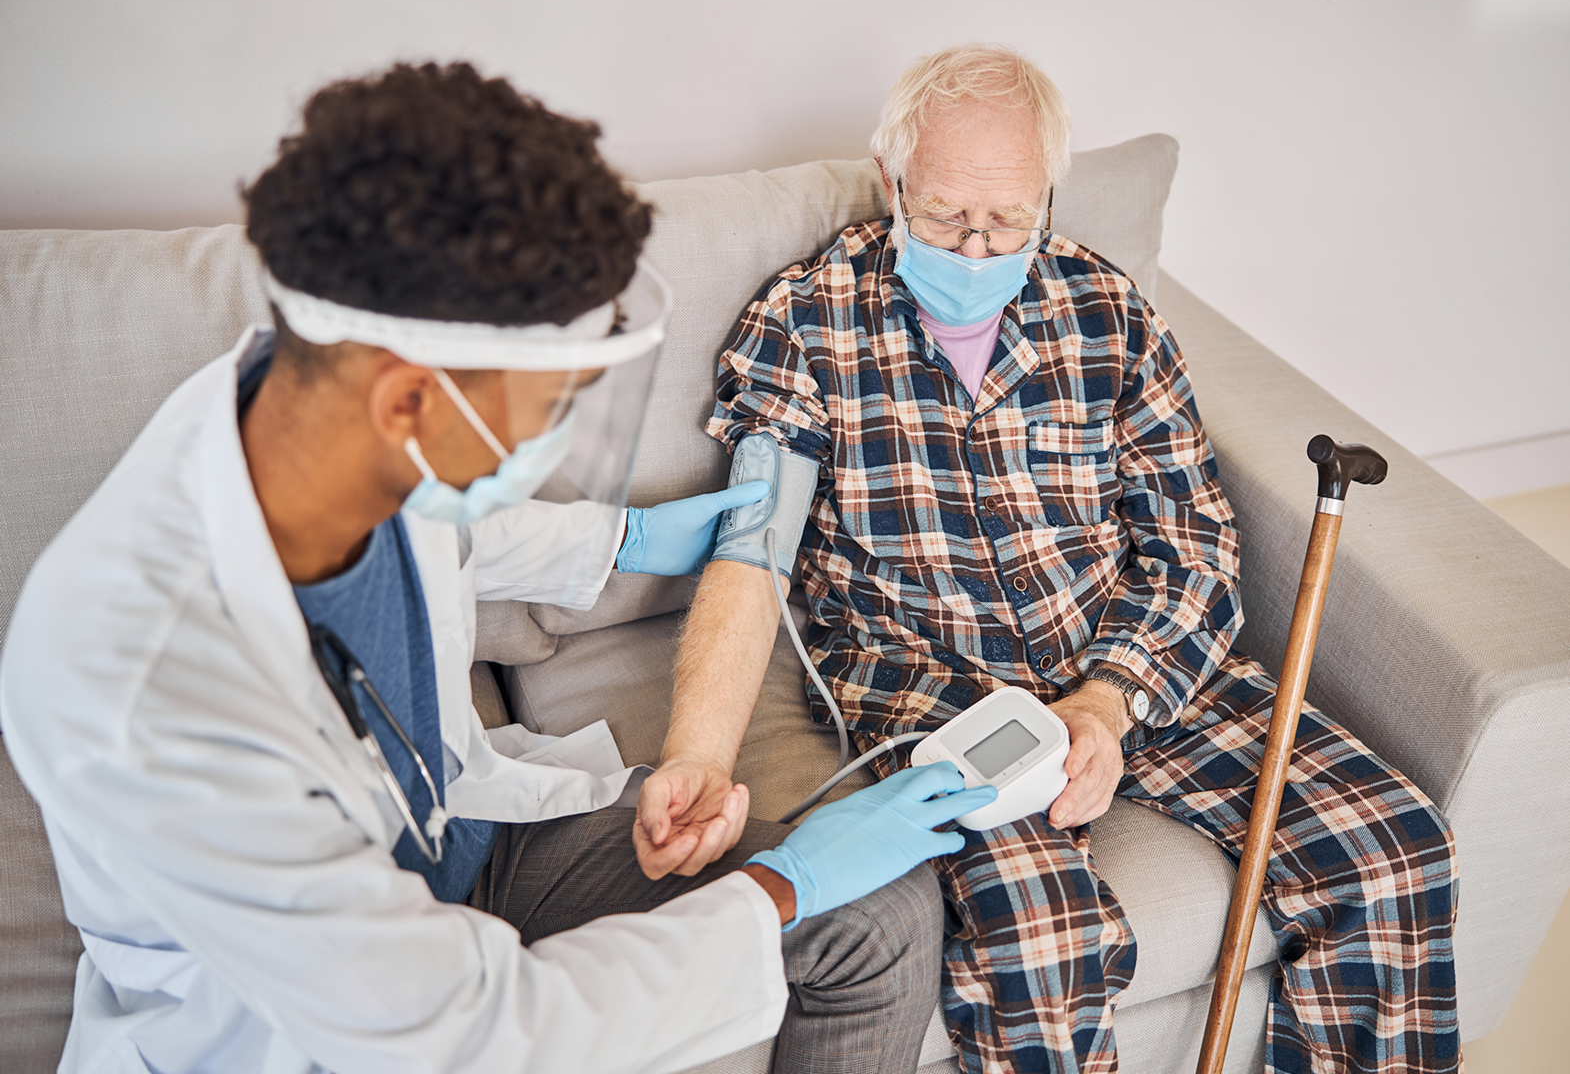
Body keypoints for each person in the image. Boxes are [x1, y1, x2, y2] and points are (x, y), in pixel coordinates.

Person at [0, 62, 1001, 1074]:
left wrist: (624, 542)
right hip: (315, 1026)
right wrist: (781, 887)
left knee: (878, 908)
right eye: (552, 404)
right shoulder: (147, 694)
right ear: (406, 404)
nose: (560, 437)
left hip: (465, 841)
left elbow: (450, 530)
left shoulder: (308, 413)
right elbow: (463, 1031)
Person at [635, 43, 1462, 1074]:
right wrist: (700, 757)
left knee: (1394, 849)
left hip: (1130, 660)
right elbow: (748, 556)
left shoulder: (1106, 310)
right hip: (932, 688)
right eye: (943, 216)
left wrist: (1110, 700)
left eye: (1008, 219)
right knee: (1038, 936)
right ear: (891, 183)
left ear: (1047, 197)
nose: (976, 249)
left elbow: (1194, 540)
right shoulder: (805, 320)